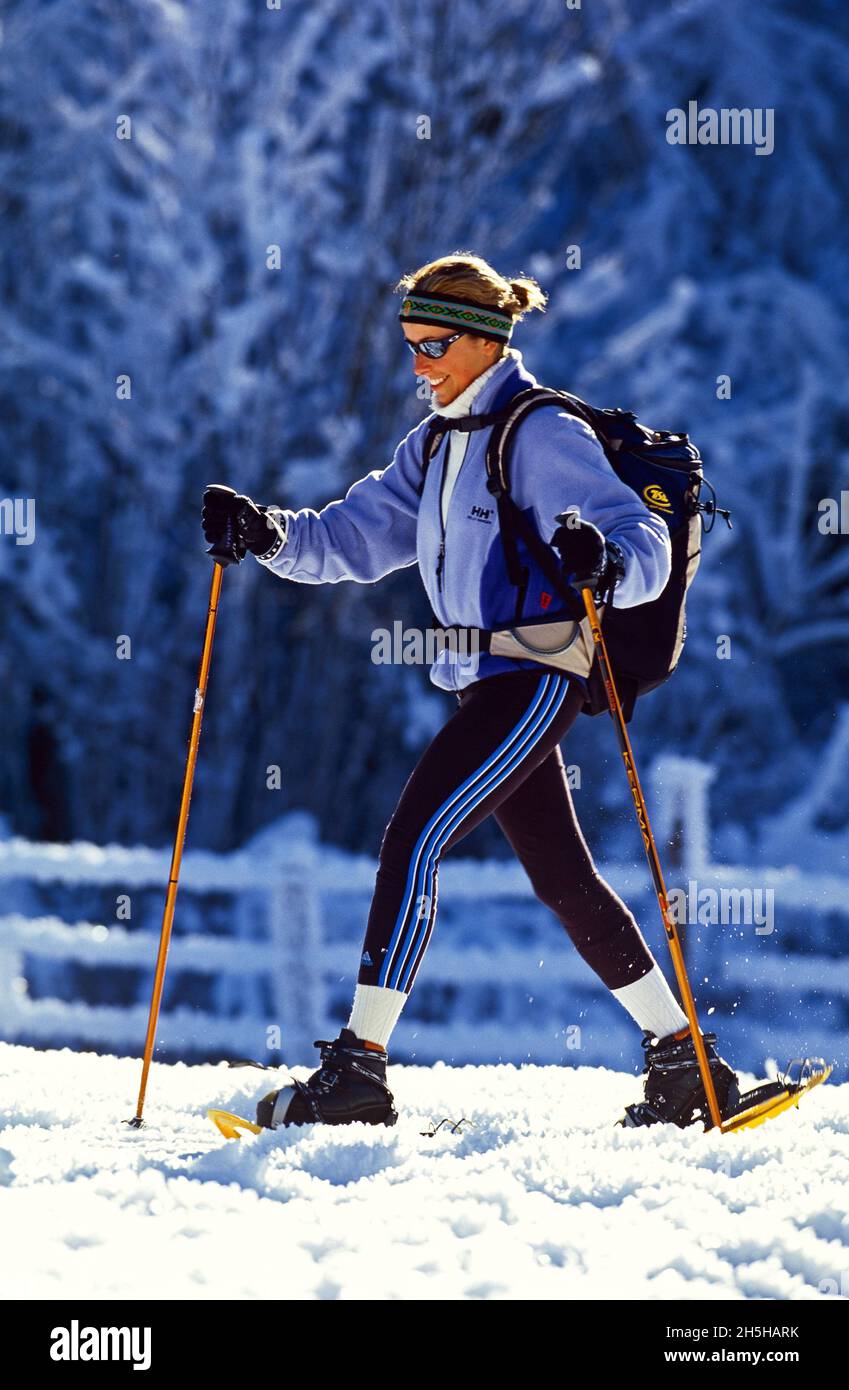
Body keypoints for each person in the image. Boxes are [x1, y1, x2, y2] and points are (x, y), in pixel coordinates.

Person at [202, 252, 740, 1131]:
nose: (418, 364)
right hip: (481, 679)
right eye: (410, 344)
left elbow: (635, 534)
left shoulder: (538, 432)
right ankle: (685, 1067)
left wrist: (602, 560)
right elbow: (352, 537)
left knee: (412, 838)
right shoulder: (435, 442)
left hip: (535, 673)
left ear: (486, 341)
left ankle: (359, 1072)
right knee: (563, 877)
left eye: (435, 344)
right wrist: (266, 533)